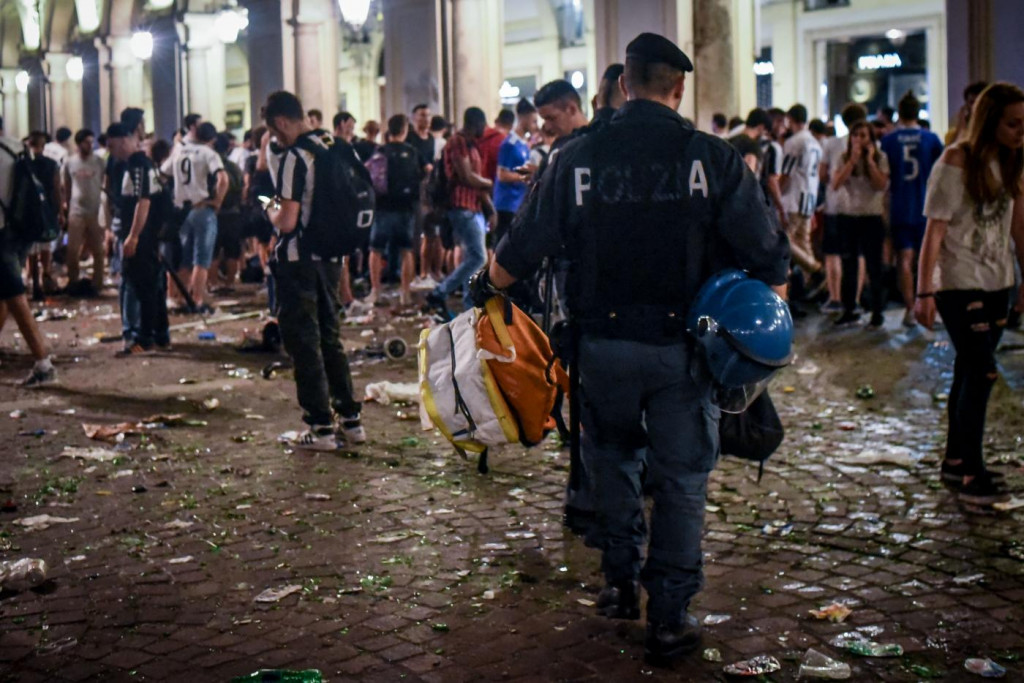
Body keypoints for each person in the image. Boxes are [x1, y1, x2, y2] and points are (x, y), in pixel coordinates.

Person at [484, 32, 789, 666]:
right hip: (684, 350)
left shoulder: (577, 156)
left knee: (613, 460)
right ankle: (671, 618)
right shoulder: (713, 158)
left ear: (623, 85)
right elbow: (769, 259)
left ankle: (619, 584)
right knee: (680, 482)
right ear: (678, 88)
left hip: (602, 346)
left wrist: (484, 289)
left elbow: (522, 246)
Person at [915, 82, 1024, 507]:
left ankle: (955, 460)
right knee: (983, 373)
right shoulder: (955, 161)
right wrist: (924, 291)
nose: (1020, 131)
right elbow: (934, 230)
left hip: (998, 281)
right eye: (1013, 124)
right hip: (959, 282)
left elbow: (1017, 226)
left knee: (968, 371)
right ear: (989, 121)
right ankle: (971, 472)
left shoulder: (1011, 160)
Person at [262, 90, 365, 450]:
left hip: (299, 259)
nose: (277, 140)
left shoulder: (296, 156)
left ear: (280, 123)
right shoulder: (339, 146)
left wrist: (268, 206)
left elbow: (286, 220)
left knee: (304, 342)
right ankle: (350, 420)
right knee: (330, 337)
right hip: (332, 258)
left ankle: (320, 427)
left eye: (276, 133)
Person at [0, 116, 57, 386]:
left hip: (0, 234)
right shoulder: (17, 148)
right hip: (21, 230)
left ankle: (43, 362)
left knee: (15, 296)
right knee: (5, 294)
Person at [881, 92, 944, 327]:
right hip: (928, 207)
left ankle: (909, 308)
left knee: (904, 260)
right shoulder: (930, 139)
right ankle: (931, 307)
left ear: (900, 112)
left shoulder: (889, 141)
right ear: (918, 113)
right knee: (930, 259)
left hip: (900, 206)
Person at [425, 107, 494, 318]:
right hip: (460, 206)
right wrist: (492, 183)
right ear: (476, 123)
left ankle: (468, 306)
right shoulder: (457, 142)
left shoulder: (472, 145)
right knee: (478, 257)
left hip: (473, 207)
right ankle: (440, 291)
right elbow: (466, 177)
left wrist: (489, 208)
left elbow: (476, 181)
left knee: (472, 256)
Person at [118, 109, 170, 355]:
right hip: (152, 233)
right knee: (154, 287)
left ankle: (145, 337)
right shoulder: (144, 163)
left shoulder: (138, 164)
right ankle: (160, 334)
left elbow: (144, 201)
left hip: (144, 235)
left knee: (144, 287)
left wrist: (133, 236)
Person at [162, 120, 227, 313]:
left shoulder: (178, 151)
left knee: (185, 260)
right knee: (201, 260)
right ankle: (196, 299)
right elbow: (223, 178)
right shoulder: (209, 154)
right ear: (211, 139)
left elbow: (162, 175)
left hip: (182, 211)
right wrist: (217, 201)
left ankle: (178, 297)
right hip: (202, 208)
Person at [831, 120, 890, 329]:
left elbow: (880, 185)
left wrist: (870, 162)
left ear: (871, 139)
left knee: (875, 267)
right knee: (849, 266)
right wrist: (852, 162)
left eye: (863, 136)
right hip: (848, 217)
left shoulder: (881, 158)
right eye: (855, 136)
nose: (858, 140)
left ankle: (877, 312)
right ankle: (849, 309)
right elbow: (836, 184)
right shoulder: (843, 158)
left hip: (871, 217)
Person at [366, 114, 425, 307]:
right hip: (406, 207)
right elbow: (423, 173)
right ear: (404, 129)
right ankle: (405, 292)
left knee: (375, 250)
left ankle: (376, 291)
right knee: (406, 250)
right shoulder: (412, 151)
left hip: (382, 206)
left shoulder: (380, 151)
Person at [820, 103, 868, 313]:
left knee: (833, 253)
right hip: (861, 206)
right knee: (858, 254)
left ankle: (836, 297)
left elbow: (823, 175)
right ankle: (855, 298)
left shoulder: (832, 143)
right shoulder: (870, 144)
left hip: (835, 204)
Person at [780, 104, 824, 288]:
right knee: (803, 241)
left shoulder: (795, 142)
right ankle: (811, 283)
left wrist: (777, 194)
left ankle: (814, 269)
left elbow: (787, 173)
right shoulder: (815, 143)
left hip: (794, 198)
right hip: (809, 197)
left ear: (791, 119)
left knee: (784, 240)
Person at [62, 128, 106, 293]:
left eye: (91, 142)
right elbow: (66, 186)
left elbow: (104, 181)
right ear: (79, 144)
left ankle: (97, 284)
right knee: (72, 250)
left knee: (98, 250)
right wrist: (65, 207)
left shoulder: (99, 161)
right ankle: (73, 281)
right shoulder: (70, 162)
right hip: (76, 210)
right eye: (87, 142)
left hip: (95, 210)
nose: (90, 145)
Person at [492, 99, 539, 247]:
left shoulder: (523, 143)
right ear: (522, 118)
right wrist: (524, 177)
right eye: (533, 121)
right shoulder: (510, 143)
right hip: (507, 204)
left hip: (518, 203)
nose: (536, 126)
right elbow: (502, 174)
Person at [24, 132, 62, 299]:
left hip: (29, 210)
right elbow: (56, 189)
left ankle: (34, 280)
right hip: (47, 209)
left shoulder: (24, 164)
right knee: (46, 245)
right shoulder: (51, 164)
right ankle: (45, 275)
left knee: (32, 247)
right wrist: (59, 210)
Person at [211, 133, 246, 289]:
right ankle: (230, 282)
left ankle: (212, 283)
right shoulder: (234, 167)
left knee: (213, 250)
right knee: (232, 250)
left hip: (215, 212)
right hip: (234, 213)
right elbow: (242, 187)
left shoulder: (212, 166)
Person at [947, 81, 988, 146]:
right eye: (972, 102)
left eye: (980, 102)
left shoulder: (998, 130)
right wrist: (961, 124)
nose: (975, 106)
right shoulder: (953, 134)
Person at [729, 108, 770, 174]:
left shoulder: (729, 140)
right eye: (765, 132)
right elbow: (749, 174)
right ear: (761, 127)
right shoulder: (752, 146)